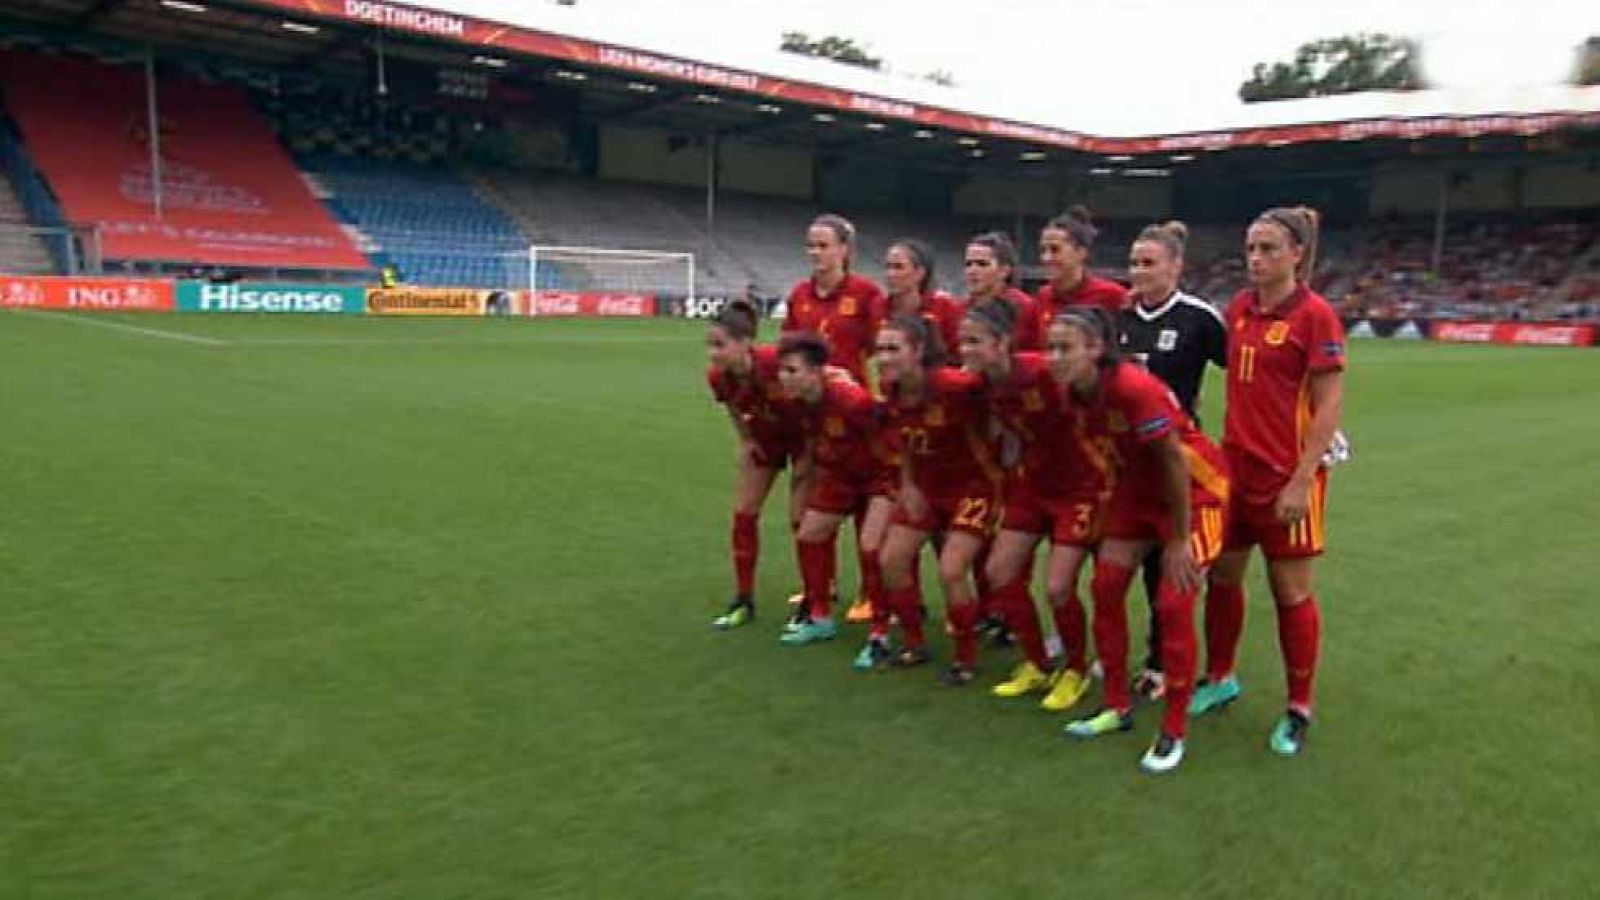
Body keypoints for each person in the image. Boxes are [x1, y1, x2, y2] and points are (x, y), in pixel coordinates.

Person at [1188, 206, 1346, 759]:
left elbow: (1329, 403)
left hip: (1287, 477)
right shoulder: (1237, 308)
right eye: (1251, 249)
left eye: (1269, 249)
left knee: (1291, 592)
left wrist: (1304, 478)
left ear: (1297, 254)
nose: (1255, 259)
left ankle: (1299, 707)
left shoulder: (1315, 315)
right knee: (1223, 578)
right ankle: (1221, 677)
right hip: (1236, 472)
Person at [1052, 308, 1230, 775]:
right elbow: (1104, 455)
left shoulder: (1133, 388)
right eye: (1051, 348)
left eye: (1064, 348)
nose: (1055, 358)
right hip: (1136, 491)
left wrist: (1176, 539)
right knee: (1105, 587)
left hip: (1196, 491)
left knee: (1174, 603)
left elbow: (1174, 463)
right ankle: (1116, 705)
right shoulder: (1072, 392)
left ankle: (1173, 729)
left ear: (1095, 349)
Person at [960, 300, 1106, 712]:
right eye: (961, 341)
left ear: (1002, 342)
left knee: (1059, 586)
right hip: (1032, 486)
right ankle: (1038, 662)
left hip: (1079, 489)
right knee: (999, 572)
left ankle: (1075, 670)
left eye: (974, 342)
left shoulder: (1046, 374)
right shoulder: (980, 385)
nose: (966, 350)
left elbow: (1100, 401)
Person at [1116, 221, 1229, 701]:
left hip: (1178, 459)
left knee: (1169, 565)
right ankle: (1124, 652)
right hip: (1126, 464)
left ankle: (1164, 663)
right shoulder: (1117, 319)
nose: (1139, 272)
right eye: (1134, 263)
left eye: (1149, 262)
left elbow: (1246, 374)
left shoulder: (1199, 318)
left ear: (1175, 265)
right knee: (1126, 565)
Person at [875, 313, 1003, 684]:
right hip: (927, 488)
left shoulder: (956, 386)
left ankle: (966, 658)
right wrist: (910, 486)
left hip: (974, 487)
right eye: (880, 349)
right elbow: (906, 442)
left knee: (951, 570)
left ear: (918, 350)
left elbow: (1001, 402)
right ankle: (915, 644)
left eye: (893, 349)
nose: (883, 357)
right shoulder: (893, 388)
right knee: (891, 560)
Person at [782, 214, 887, 624]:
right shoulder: (799, 295)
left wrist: (865, 391)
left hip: (853, 413)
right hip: (810, 414)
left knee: (864, 502)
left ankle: (869, 591)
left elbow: (883, 348)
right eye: (811, 245)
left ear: (845, 249)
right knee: (809, 500)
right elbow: (789, 348)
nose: (815, 252)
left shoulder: (865, 294)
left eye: (824, 245)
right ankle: (819, 587)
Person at [772, 333, 898, 660]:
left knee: (871, 548)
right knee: (810, 532)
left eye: (792, 370)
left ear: (816, 372)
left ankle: (880, 632)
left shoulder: (850, 400)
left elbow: (890, 430)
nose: (784, 377)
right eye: (781, 370)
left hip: (878, 475)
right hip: (840, 475)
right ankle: (819, 616)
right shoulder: (799, 400)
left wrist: (896, 483)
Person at [704, 300, 808, 629]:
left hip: (805, 441)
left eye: (720, 345)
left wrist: (814, 454)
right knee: (744, 514)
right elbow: (733, 407)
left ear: (745, 342)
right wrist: (747, 440)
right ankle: (743, 598)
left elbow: (811, 400)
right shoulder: (718, 377)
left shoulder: (775, 364)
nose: (713, 353)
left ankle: (815, 598)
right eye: (710, 345)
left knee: (801, 521)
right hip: (766, 441)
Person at [1036, 206, 1128, 322]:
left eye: (1055, 250)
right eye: (1043, 250)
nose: (1046, 258)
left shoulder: (1112, 295)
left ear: (1081, 252)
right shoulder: (1043, 297)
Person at [883, 238, 964, 363]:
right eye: (887, 267)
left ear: (919, 273)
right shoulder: (878, 306)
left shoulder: (945, 306)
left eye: (898, 267)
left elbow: (960, 355)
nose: (890, 274)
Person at [963, 231, 1043, 351]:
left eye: (982, 264)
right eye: (968, 264)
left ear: (1004, 271)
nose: (972, 270)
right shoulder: (961, 308)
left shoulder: (1026, 307)